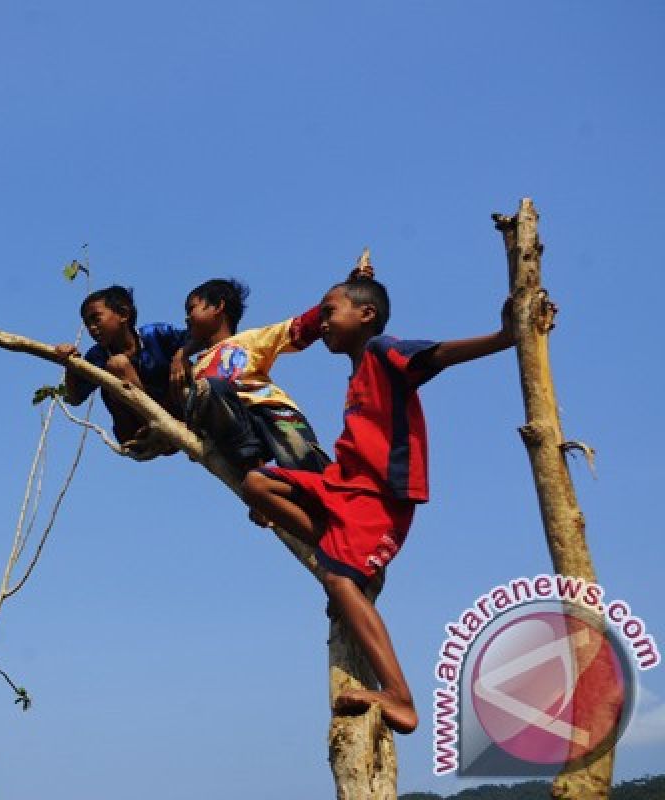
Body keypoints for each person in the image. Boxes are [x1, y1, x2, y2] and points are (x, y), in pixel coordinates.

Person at [241, 274, 515, 733]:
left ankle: (400, 697)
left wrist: (503, 338)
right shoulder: (358, 370)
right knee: (257, 487)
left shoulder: (382, 350)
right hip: (342, 486)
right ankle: (342, 550)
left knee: (338, 580)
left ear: (365, 315)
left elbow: (436, 356)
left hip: (379, 496)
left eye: (330, 311)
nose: (323, 322)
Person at [171, 275, 353, 474]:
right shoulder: (195, 369)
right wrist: (181, 357)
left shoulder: (247, 340)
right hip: (237, 430)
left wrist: (340, 298)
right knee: (211, 389)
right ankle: (252, 466)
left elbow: (298, 328)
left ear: (218, 307)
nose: (187, 318)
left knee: (307, 466)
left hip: (271, 411)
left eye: (192, 309)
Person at [54, 285, 187, 452]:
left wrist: (180, 356)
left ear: (123, 314)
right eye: (87, 323)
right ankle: (156, 430)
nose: (91, 328)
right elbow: (75, 399)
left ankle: (196, 423)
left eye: (96, 319)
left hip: (174, 417)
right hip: (136, 433)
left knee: (190, 364)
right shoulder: (97, 356)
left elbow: (198, 338)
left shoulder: (157, 334)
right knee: (117, 365)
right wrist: (70, 365)